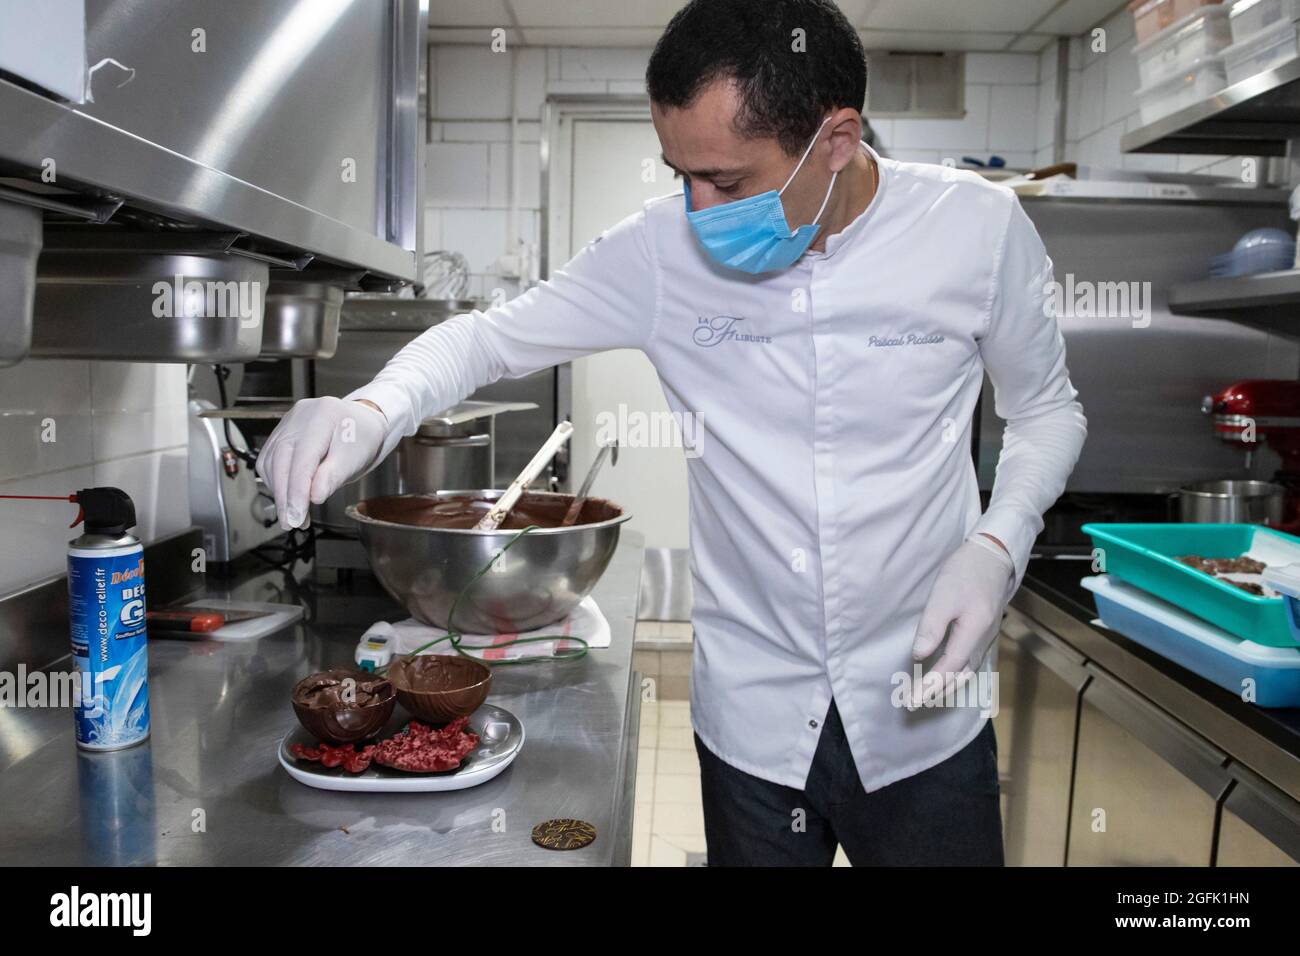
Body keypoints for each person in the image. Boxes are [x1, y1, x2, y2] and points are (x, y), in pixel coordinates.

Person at [257, 0, 1086, 866]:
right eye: (677, 175)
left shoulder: (976, 231)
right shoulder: (658, 253)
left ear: (835, 141)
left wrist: (999, 542)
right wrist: (368, 410)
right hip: (754, 724)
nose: (696, 208)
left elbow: (1048, 411)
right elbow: (485, 338)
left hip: (929, 711)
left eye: (726, 182)